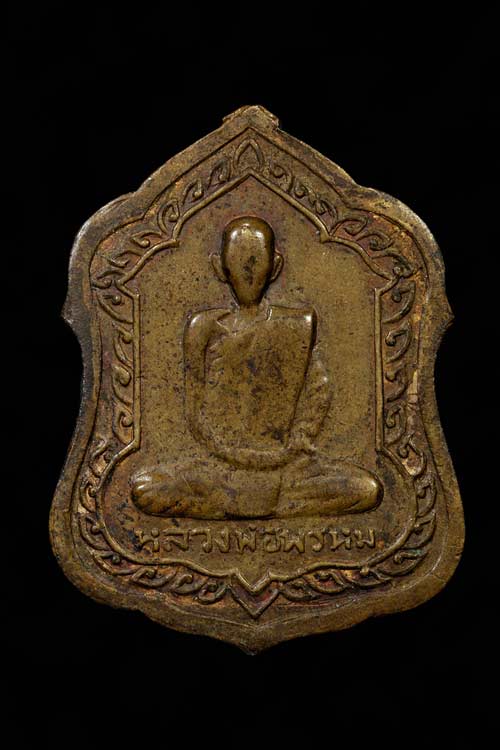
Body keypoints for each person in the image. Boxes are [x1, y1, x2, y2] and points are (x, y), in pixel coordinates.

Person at [131, 216, 382, 518]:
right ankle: (261, 505)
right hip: (220, 466)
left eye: (256, 263)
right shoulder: (203, 327)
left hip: (287, 466)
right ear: (220, 268)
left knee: (366, 489)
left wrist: (292, 446)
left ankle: (238, 506)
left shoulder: (298, 324)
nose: (248, 275)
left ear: (274, 267)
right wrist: (234, 456)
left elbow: (317, 393)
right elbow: (195, 414)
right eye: (237, 264)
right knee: (145, 489)